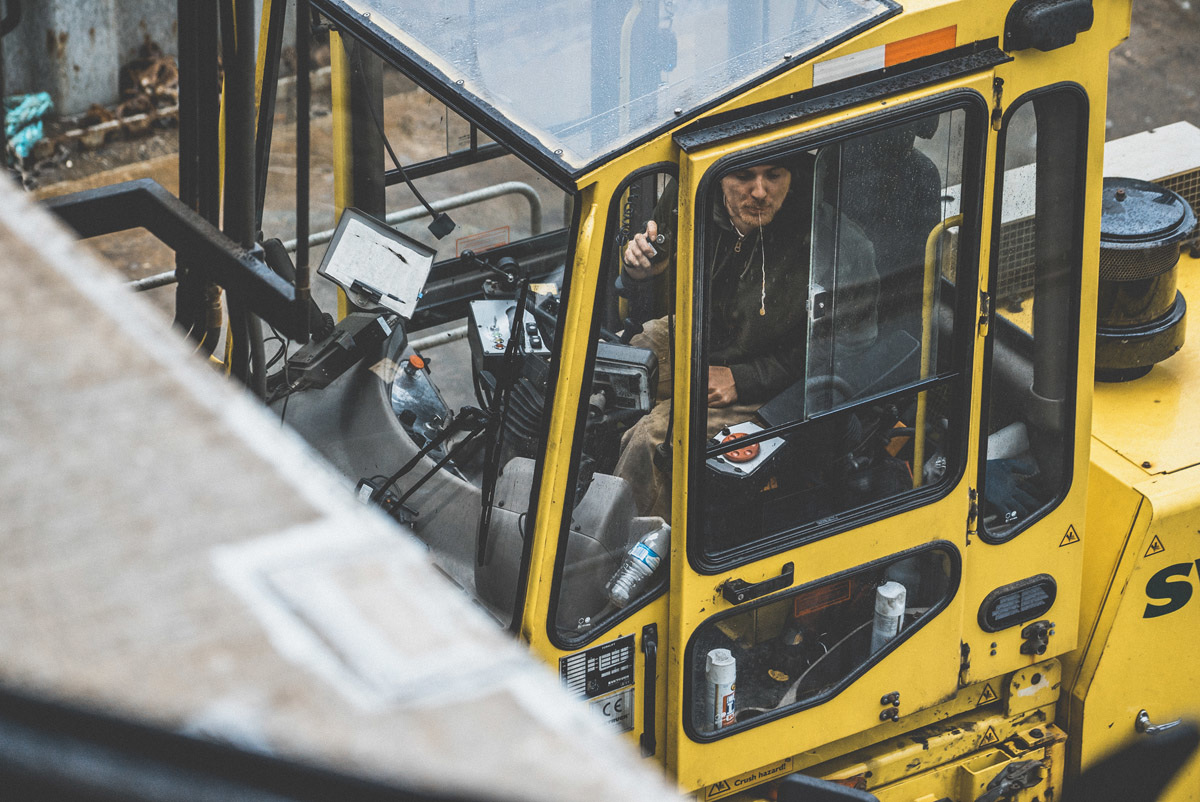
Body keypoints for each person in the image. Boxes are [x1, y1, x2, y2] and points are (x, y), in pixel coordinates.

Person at [613, 160, 876, 521]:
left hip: (778, 380)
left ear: (793, 173)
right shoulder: (688, 194)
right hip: (707, 336)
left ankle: (626, 543)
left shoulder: (837, 245)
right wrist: (640, 272)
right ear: (719, 175)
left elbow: (847, 354)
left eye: (774, 175)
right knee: (619, 369)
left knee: (654, 437)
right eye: (743, 176)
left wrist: (745, 378)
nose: (760, 192)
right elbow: (649, 294)